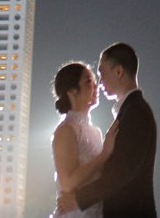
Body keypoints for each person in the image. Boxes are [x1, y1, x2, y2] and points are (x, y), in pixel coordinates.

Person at [59, 43, 156, 218]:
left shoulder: (135, 112)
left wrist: (79, 199)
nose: (99, 82)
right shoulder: (129, 110)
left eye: (101, 74)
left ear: (118, 72)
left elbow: (123, 171)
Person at [50, 61, 117, 218]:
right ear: (72, 91)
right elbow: (67, 183)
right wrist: (104, 155)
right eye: (88, 81)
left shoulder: (95, 132)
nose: (96, 86)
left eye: (94, 81)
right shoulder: (66, 130)